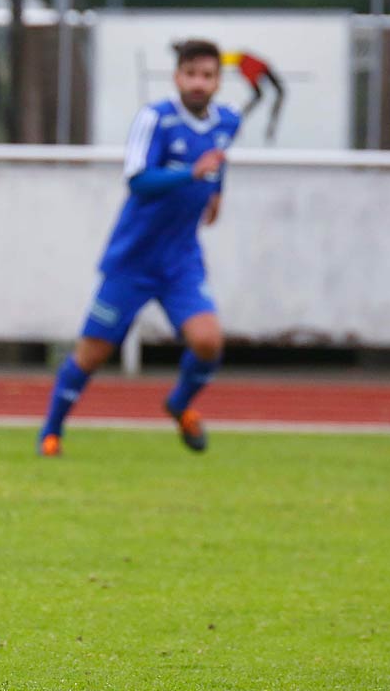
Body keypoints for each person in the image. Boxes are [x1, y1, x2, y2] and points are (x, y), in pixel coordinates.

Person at [37, 38, 242, 457]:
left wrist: (217, 190)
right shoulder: (156, 119)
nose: (199, 83)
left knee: (208, 342)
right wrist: (191, 174)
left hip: (181, 260)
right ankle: (51, 433)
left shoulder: (229, 121)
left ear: (219, 81)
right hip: (133, 258)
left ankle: (180, 405)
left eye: (208, 75)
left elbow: (218, 159)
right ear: (177, 77)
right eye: (191, 74)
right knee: (93, 353)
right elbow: (137, 179)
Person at [221, 48, 286, 143]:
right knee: (263, 95)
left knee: (264, 95)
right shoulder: (245, 64)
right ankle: (268, 128)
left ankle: (269, 127)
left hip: (248, 64)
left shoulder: (244, 62)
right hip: (248, 65)